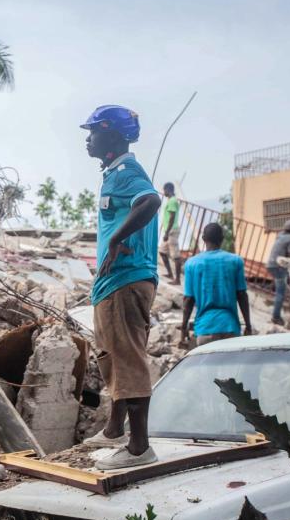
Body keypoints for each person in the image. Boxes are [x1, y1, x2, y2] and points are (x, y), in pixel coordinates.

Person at [79, 104, 161, 469]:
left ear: (111, 134)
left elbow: (151, 201)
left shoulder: (127, 171)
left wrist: (116, 241)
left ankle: (139, 447)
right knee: (113, 354)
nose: (88, 138)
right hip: (115, 281)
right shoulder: (114, 174)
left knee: (127, 357)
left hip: (126, 278)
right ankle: (115, 428)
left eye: (94, 130)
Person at [181, 222, 253, 346]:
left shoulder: (191, 264)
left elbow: (188, 300)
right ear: (222, 239)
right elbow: (242, 295)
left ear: (203, 239)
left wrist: (183, 329)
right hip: (230, 328)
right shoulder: (235, 261)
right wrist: (248, 325)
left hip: (205, 329)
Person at [159, 182, 182, 285]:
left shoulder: (172, 201)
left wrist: (167, 232)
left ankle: (177, 280)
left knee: (176, 255)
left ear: (168, 189)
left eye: (164, 190)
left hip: (171, 231)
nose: (164, 192)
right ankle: (170, 274)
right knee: (162, 252)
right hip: (169, 231)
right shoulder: (171, 201)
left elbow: (172, 217)